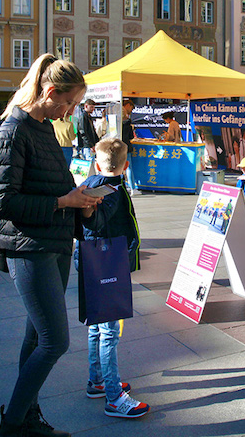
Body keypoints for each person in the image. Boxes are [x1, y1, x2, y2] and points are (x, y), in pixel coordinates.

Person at [0, 53, 101, 437]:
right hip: (29, 246)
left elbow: (50, 183)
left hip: (54, 240)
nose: (71, 111)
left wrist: (78, 197)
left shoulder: (42, 125)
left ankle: (27, 417)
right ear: (49, 91)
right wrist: (64, 202)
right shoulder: (13, 130)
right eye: (68, 103)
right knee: (54, 341)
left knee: (36, 337)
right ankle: (12, 425)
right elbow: (3, 201)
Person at [77, 137, 150, 419]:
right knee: (109, 330)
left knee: (97, 326)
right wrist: (88, 211)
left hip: (93, 261)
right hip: (108, 264)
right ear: (126, 165)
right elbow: (96, 220)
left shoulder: (95, 182)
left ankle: (97, 380)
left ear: (97, 163)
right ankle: (113, 396)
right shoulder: (113, 191)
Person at [122, 99, 137, 193]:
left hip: (118, 146)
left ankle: (124, 186)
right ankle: (132, 187)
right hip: (126, 146)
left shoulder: (117, 122)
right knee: (129, 167)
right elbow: (131, 136)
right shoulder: (127, 123)